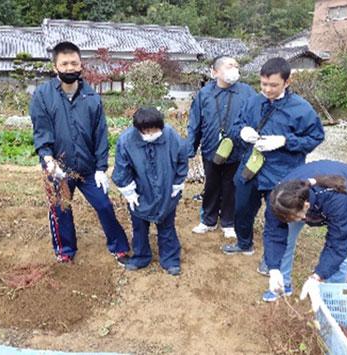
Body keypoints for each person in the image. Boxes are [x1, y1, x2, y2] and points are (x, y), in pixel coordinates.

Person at [30, 41, 130, 263]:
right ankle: (65, 250)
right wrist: (48, 160)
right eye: (64, 63)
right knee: (61, 208)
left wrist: (102, 168)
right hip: (58, 167)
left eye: (73, 63)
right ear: (55, 67)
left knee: (104, 205)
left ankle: (119, 246)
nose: (69, 68)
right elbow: (41, 130)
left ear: (80, 65)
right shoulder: (43, 95)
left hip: (88, 168)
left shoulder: (91, 97)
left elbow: (100, 134)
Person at [222, 57, 325, 263]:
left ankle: (272, 261)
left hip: (283, 172)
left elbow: (316, 137)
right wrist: (242, 132)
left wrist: (286, 141)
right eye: (264, 84)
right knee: (242, 208)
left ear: (287, 82)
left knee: (276, 217)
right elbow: (234, 127)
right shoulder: (252, 102)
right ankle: (244, 243)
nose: (267, 89)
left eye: (273, 85)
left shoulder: (301, 109)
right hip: (250, 168)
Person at [263, 160, 347, 306]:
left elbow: (339, 241)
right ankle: (282, 286)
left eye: (296, 218)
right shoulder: (278, 199)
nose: (296, 221)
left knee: (342, 256)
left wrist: (318, 276)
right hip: (299, 202)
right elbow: (273, 233)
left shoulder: (336, 199)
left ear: (306, 206)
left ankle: (331, 299)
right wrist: (273, 269)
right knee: (287, 239)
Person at [112, 108, 188, 276]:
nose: (152, 133)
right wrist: (129, 191)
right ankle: (141, 256)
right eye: (147, 130)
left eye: (155, 129)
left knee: (167, 226)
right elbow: (121, 168)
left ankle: (170, 259)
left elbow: (182, 157)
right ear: (138, 129)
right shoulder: (126, 141)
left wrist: (178, 182)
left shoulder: (171, 136)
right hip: (140, 193)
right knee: (139, 227)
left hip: (167, 190)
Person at [188, 56, 256, 238]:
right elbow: (195, 122)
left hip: (238, 149)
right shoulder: (204, 94)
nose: (234, 69)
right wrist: (190, 148)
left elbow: (256, 117)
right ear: (215, 71)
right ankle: (208, 220)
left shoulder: (248, 92)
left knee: (232, 185)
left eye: (236, 66)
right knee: (211, 185)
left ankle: (228, 222)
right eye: (229, 66)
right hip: (211, 148)